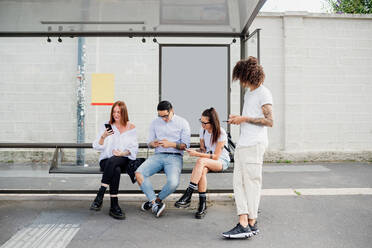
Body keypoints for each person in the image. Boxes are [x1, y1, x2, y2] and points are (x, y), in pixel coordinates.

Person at [222, 56, 273, 239]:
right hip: (245, 144)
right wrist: (239, 118)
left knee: (250, 184)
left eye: (241, 78)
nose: (240, 82)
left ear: (247, 76)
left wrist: (243, 119)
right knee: (240, 183)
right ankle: (249, 222)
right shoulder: (250, 93)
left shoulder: (263, 93)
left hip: (253, 145)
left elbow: (269, 121)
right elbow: (251, 117)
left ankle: (246, 223)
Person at [135, 100, 190, 218]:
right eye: (161, 116)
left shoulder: (182, 123)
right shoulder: (155, 123)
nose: (163, 119)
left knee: (173, 183)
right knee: (139, 173)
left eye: (166, 115)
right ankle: (155, 204)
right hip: (158, 155)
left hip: (175, 157)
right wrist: (152, 143)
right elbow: (149, 142)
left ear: (172, 110)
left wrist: (171, 144)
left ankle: (155, 201)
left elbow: (185, 145)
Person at [174, 107, 230, 219]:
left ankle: (188, 194)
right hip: (207, 161)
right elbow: (204, 150)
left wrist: (198, 155)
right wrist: (195, 151)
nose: (202, 124)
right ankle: (202, 205)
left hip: (221, 161)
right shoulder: (202, 130)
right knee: (202, 171)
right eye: (201, 121)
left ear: (213, 122)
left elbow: (216, 156)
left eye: (205, 123)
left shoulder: (221, 133)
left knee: (201, 161)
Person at [91, 100, 138, 220]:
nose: (116, 115)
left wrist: (122, 153)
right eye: (114, 112)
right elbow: (97, 146)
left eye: (119, 112)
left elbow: (133, 149)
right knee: (115, 168)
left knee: (116, 160)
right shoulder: (106, 126)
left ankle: (100, 194)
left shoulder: (131, 127)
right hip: (106, 161)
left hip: (124, 159)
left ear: (124, 113)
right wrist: (103, 136)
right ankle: (114, 205)